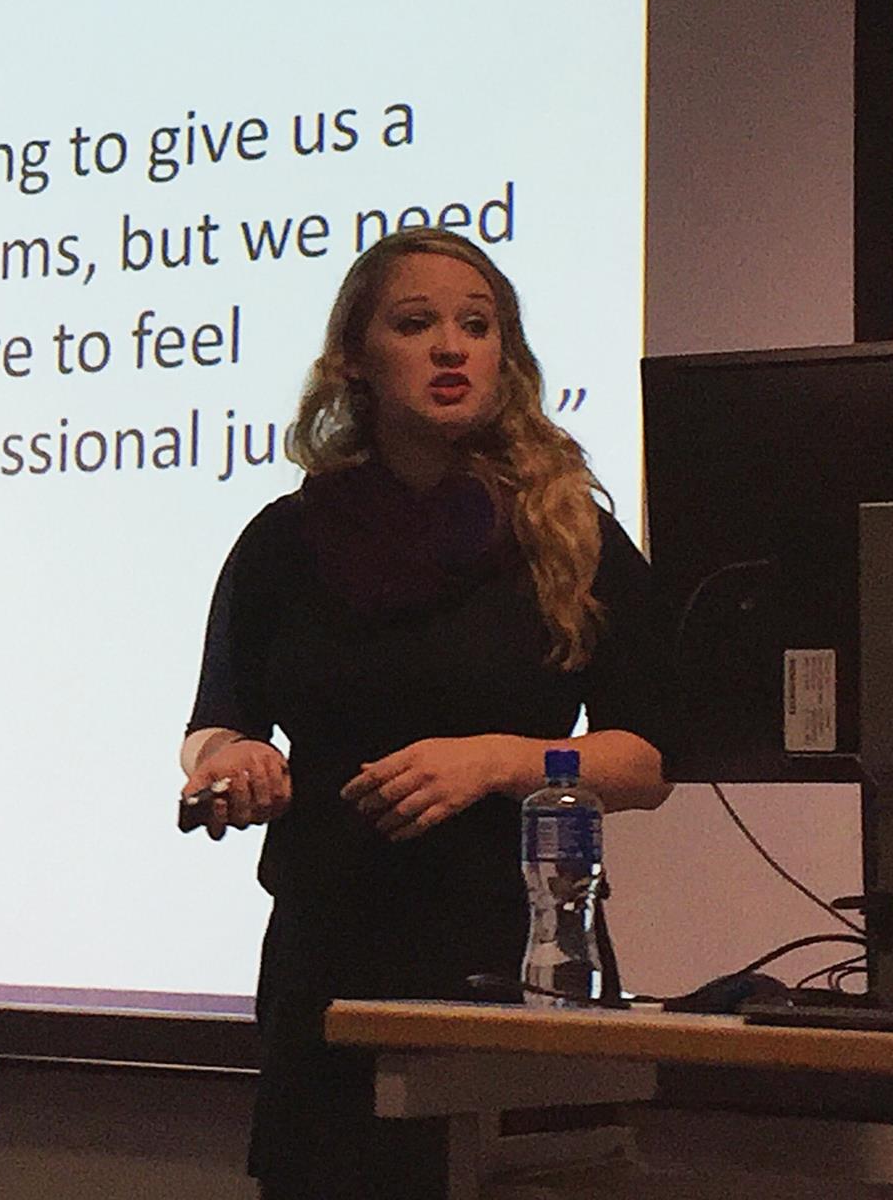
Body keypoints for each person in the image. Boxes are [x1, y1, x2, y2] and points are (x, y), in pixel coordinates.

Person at [182, 228, 672, 1200]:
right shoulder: (286, 541)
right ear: (355, 361)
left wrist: (500, 760)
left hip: (522, 956)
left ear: (504, 356)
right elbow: (215, 720)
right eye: (416, 324)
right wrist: (233, 763)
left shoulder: (565, 533)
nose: (451, 347)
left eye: (475, 326)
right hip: (334, 959)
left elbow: (647, 762)